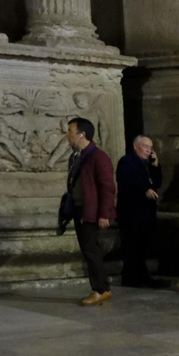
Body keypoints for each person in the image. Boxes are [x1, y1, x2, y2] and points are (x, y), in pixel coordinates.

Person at [65, 116, 116, 306]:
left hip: (91, 212)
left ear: (81, 134)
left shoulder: (98, 157)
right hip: (80, 210)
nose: (67, 136)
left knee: (91, 251)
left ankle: (99, 290)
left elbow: (107, 187)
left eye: (70, 132)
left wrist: (105, 213)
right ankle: (104, 287)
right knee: (90, 251)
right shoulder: (77, 156)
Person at [116, 134, 164, 288]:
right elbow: (126, 180)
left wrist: (156, 166)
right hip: (131, 212)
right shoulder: (127, 161)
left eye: (150, 148)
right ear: (136, 146)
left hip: (146, 213)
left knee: (142, 247)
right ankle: (131, 278)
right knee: (132, 246)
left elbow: (156, 183)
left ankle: (141, 276)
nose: (148, 150)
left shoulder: (147, 164)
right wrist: (144, 189)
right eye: (145, 146)